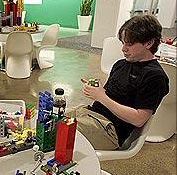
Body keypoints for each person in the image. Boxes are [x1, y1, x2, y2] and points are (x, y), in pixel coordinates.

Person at [66, 14, 169, 150]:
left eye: (130, 44)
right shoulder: (121, 64)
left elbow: (139, 119)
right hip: (90, 113)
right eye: (123, 43)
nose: (123, 49)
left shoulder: (155, 76)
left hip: (109, 130)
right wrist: (98, 90)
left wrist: (101, 97)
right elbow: (110, 96)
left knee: (56, 130)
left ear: (149, 43)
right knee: (47, 117)